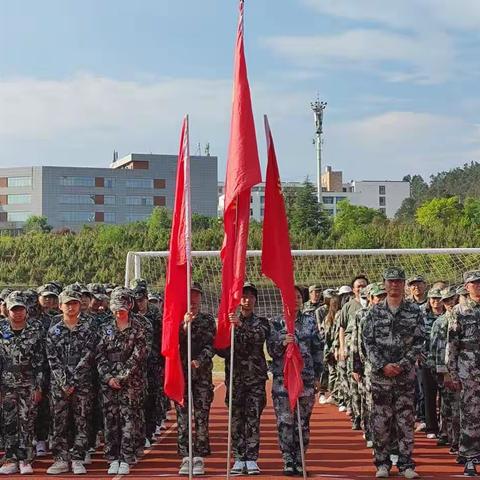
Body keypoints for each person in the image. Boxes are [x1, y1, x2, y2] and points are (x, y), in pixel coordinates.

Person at [362, 267, 424, 479]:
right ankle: (382, 463)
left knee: (405, 422)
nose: (395, 284)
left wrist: (402, 364)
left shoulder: (415, 312)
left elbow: (419, 342)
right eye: (391, 281)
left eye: (398, 281)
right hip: (381, 378)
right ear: (384, 284)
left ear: (403, 284)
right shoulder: (374, 312)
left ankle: (406, 464)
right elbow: (367, 343)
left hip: (405, 376)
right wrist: (383, 365)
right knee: (380, 423)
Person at [267, 285, 323, 476]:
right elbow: (271, 351)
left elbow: (317, 348)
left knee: (303, 422)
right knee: (285, 421)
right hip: (283, 381)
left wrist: (317, 376)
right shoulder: (275, 323)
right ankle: (288, 460)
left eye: (299, 297)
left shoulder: (309, 321)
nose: (296, 300)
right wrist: (283, 343)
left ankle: (300, 458)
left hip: (305, 379)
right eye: (292, 297)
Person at [218, 282, 270, 476]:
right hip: (235, 378)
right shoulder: (229, 321)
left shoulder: (262, 321)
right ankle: (239, 458)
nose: (246, 300)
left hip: (255, 379)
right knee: (236, 420)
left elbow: (258, 339)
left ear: (255, 299)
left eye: (250, 296)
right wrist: (227, 330)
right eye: (243, 296)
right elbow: (221, 350)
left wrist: (239, 326)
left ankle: (252, 458)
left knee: (253, 419)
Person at [45, 288, 97, 475]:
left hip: (82, 384)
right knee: (59, 421)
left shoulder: (88, 329)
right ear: (60, 306)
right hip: (59, 386)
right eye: (67, 304)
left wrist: (74, 381)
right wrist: (64, 382)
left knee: (81, 420)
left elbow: (89, 355)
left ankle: (77, 458)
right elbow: (52, 359)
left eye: (74, 303)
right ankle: (60, 458)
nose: (71, 307)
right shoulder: (53, 330)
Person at [96, 288, 147, 475]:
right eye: (116, 309)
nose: (119, 312)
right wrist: (109, 377)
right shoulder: (104, 328)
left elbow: (138, 356)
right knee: (111, 420)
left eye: (123, 309)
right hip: (108, 383)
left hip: (130, 382)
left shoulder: (138, 328)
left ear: (129, 307)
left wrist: (122, 376)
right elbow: (99, 355)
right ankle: (113, 458)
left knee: (128, 420)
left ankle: (126, 456)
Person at [0, 292, 45, 475]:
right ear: (8, 311)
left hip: (28, 384)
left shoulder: (35, 328)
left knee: (27, 421)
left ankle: (25, 458)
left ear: (26, 310)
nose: (18, 313)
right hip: (6, 385)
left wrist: (39, 386)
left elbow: (40, 361)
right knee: (9, 422)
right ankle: (10, 457)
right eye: (14, 309)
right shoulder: (1, 329)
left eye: (21, 309)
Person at [176, 282, 216, 476]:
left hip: (201, 375)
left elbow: (211, 344)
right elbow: (171, 343)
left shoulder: (208, 319)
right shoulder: (175, 318)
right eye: (189, 295)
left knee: (201, 416)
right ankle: (185, 456)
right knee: (183, 417)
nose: (192, 300)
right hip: (181, 374)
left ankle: (199, 456)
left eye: (196, 296)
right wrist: (184, 325)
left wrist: (199, 360)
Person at [446, 270, 480, 476]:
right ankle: (469, 458)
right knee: (470, 416)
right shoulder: (459, 311)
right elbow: (452, 345)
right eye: (473, 283)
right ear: (466, 287)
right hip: (468, 371)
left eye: (479, 283)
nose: (477, 286)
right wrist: (452, 373)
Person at [428, 286, 459, 451]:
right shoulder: (439, 322)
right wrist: (436, 368)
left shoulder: (463, 318)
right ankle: (446, 433)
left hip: (462, 368)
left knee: (456, 405)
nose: (449, 303)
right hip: (443, 368)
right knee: (446, 404)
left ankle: (455, 438)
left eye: (452, 299)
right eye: (446, 301)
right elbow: (434, 347)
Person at [338, 275, 369, 430]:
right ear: (354, 289)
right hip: (352, 348)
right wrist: (342, 348)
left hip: (368, 350)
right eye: (358, 286)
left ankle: (367, 416)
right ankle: (357, 415)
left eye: (364, 285)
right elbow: (341, 328)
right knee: (354, 384)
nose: (361, 288)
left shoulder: (373, 304)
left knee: (367, 385)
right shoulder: (349, 306)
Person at [419, 288, 444, 440]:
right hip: (427, 361)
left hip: (444, 361)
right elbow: (418, 336)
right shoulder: (423, 317)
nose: (436, 301)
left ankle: (444, 427)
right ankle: (431, 427)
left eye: (438, 298)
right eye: (433, 298)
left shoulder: (449, 315)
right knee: (428, 394)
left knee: (445, 396)